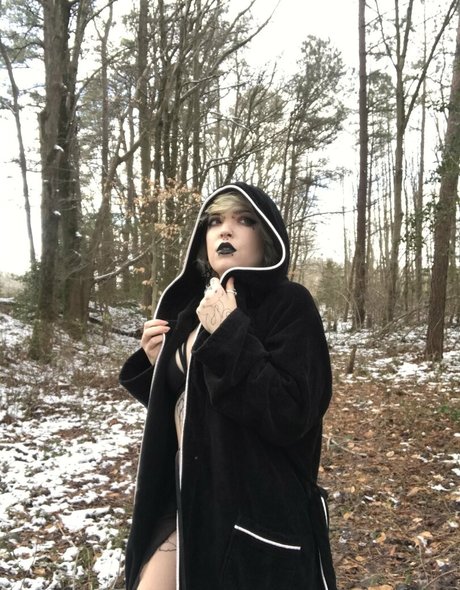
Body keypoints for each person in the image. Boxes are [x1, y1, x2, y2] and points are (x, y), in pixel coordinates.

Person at [119, 182, 337, 590]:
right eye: (215, 221)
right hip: (185, 503)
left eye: (244, 220)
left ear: (267, 238)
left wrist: (229, 331)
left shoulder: (290, 303)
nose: (226, 230)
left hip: (254, 517)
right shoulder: (192, 311)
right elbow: (196, 410)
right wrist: (157, 366)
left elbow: (292, 412)